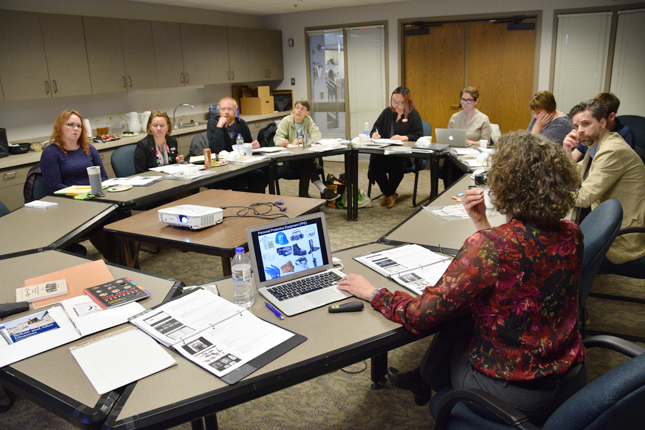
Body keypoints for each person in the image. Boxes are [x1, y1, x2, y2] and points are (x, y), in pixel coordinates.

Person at [339, 131, 587, 425]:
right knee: (461, 314)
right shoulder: (572, 232)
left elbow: (419, 315)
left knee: (451, 323)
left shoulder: (491, 247)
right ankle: (421, 377)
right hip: (571, 377)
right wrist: (482, 224)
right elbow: (521, 275)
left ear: (506, 185)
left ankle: (426, 378)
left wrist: (372, 293)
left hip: (513, 393)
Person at [564, 99, 645, 274]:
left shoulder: (611, 150)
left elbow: (584, 198)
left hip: (621, 236)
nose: (580, 131)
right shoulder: (598, 145)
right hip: (608, 222)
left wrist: (544, 194)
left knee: (557, 247)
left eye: (586, 124)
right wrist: (566, 151)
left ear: (602, 122)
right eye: (576, 126)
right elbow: (576, 174)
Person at [368, 87, 423, 209]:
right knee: (374, 163)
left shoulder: (413, 114)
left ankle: (388, 194)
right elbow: (376, 127)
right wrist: (374, 134)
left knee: (397, 164)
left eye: (400, 102)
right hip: (385, 151)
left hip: (404, 154)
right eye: (393, 101)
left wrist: (404, 137)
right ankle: (390, 194)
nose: (395, 105)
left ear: (407, 101)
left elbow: (419, 135)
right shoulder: (387, 112)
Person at [274, 99, 339, 201]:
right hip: (289, 158)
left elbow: (317, 136)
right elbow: (277, 138)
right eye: (297, 108)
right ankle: (323, 190)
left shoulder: (308, 121)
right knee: (308, 163)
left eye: (302, 109)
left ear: (307, 112)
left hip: (303, 159)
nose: (299, 111)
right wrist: (282, 142)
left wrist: (300, 140)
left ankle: (304, 197)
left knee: (304, 165)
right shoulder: (286, 121)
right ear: (294, 109)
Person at [207, 97, 268, 193]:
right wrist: (219, 126)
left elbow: (248, 145)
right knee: (239, 182)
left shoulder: (241, 123)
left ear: (235, 110)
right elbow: (216, 149)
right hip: (224, 169)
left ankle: (249, 200)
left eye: (229, 109)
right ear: (219, 111)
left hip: (242, 166)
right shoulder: (213, 124)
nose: (226, 112)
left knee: (261, 177)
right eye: (223, 109)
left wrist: (253, 146)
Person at [40, 109, 108, 196]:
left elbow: (103, 177)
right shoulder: (50, 152)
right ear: (60, 127)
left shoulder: (89, 148)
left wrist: (94, 191)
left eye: (79, 126)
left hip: (93, 194)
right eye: (71, 125)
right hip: (68, 198)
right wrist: (84, 193)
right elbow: (55, 186)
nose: (76, 129)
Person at [570, 92, 636, 162]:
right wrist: (567, 149)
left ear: (610, 117)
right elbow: (574, 161)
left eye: (586, 123)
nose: (580, 130)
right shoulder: (589, 133)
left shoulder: (623, 135)